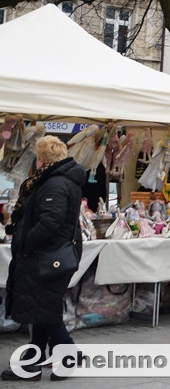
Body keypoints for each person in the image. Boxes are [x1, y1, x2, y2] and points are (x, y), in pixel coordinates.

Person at [2, 135, 86, 382]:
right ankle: (32, 364)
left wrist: (25, 242)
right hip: (51, 255)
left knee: (44, 312)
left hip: (47, 256)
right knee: (39, 309)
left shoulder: (55, 183)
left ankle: (67, 357)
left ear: (42, 159)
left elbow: (50, 222)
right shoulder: (59, 180)